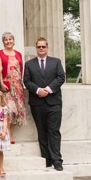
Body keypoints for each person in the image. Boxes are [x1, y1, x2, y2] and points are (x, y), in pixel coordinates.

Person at [23, 37, 65, 171]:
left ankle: (57, 160)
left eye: (43, 47)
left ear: (47, 48)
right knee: (41, 131)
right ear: (36, 48)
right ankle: (46, 159)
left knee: (53, 131)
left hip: (54, 102)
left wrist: (48, 89)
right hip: (37, 102)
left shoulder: (56, 62)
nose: (41, 49)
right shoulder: (29, 64)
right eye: (39, 47)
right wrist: (38, 90)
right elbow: (27, 81)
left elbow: (61, 77)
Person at [0, 32, 26, 143]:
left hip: (18, 86)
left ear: (14, 41)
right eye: (6, 40)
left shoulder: (18, 54)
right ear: (3, 42)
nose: (8, 41)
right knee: (10, 111)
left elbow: (21, 69)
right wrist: (1, 83)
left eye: (10, 39)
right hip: (7, 85)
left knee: (17, 112)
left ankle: (10, 132)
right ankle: (8, 133)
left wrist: (21, 84)